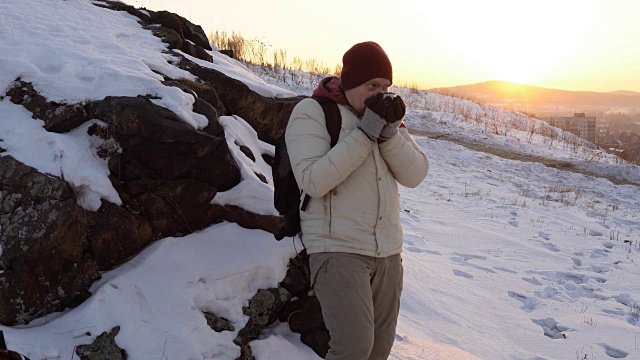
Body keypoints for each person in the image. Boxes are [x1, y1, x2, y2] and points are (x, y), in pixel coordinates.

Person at [285, 41, 429, 359]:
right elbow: (313, 179)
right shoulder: (313, 112)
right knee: (353, 347)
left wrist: (389, 134)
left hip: (388, 253)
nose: (380, 94)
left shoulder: (385, 122)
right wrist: (365, 134)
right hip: (338, 248)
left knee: (378, 350)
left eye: (385, 86)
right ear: (349, 83)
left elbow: (416, 174)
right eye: (371, 86)